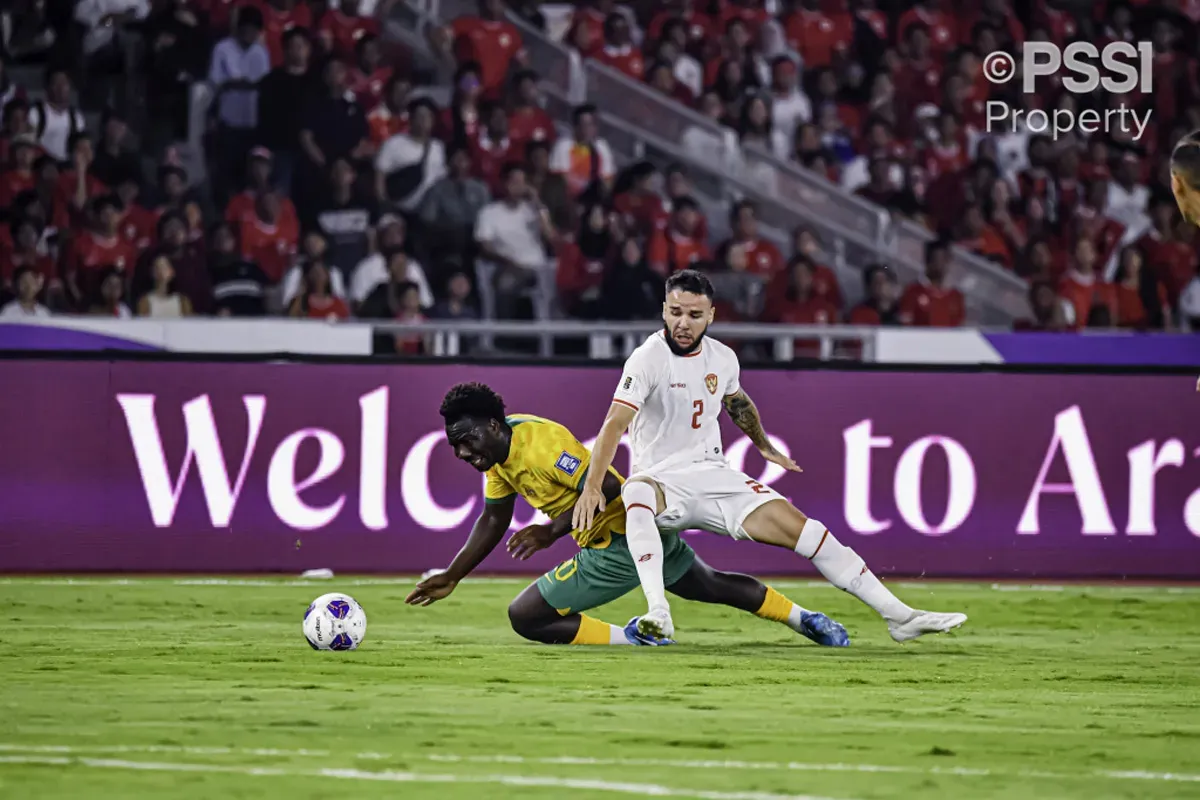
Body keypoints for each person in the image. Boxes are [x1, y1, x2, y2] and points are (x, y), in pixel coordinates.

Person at [572, 269, 967, 643]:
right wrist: (592, 486)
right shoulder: (647, 358)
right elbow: (613, 424)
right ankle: (658, 612)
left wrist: (762, 445)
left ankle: (899, 617)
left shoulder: (723, 358)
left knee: (809, 532)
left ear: (711, 314)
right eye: (675, 313)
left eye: (694, 315)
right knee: (635, 493)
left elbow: (737, 402)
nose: (683, 323)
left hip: (713, 477)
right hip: (661, 481)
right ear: (663, 310)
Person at [406, 382, 848, 648]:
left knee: (525, 616)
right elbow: (493, 519)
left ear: (494, 427)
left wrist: (550, 532)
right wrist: (453, 575)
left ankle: (634, 638)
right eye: (455, 446)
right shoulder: (500, 457)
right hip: (642, 530)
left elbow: (610, 486)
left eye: (467, 440)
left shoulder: (542, 446)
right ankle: (804, 619)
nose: (463, 452)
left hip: (613, 542)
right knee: (711, 585)